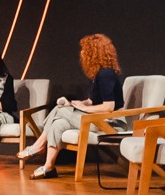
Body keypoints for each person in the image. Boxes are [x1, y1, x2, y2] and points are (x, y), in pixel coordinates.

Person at [22, 33, 127, 179]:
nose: (81, 53)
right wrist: (77, 104)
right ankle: (48, 167)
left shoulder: (106, 74)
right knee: (58, 123)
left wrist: (84, 109)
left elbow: (108, 107)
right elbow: (92, 101)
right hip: (98, 119)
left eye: (85, 50)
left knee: (60, 110)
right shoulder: (98, 75)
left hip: (111, 123)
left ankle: (39, 145)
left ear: (93, 52)